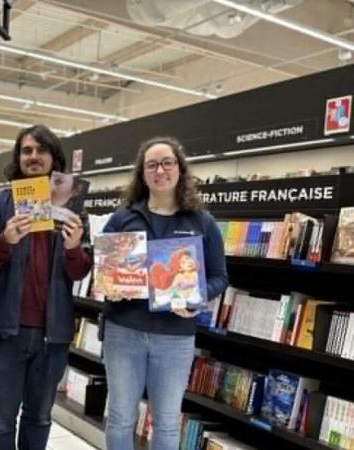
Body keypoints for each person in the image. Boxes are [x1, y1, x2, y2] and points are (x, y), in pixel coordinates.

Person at [101, 136, 228, 450]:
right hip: (123, 331)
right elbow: (104, 273)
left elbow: (219, 277)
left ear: (180, 169)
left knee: (168, 424)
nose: (160, 170)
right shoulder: (122, 218)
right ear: (142, 174)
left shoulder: (202, 222)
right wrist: (109, 288)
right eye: (152, 164)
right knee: (119, 418)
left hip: (175, 337)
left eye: (167, 162)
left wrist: (197, 297)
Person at [0, 124, 93, 450]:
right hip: (5, 330)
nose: (33, 157)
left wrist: (74, 248)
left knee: (40, 418)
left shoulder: (74, 207)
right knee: (0, 420)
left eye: (41, 150)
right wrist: (6, 240)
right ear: (18, 158)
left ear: (53, 158)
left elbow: (80, 271)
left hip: (52, 334)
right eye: (27, 150)